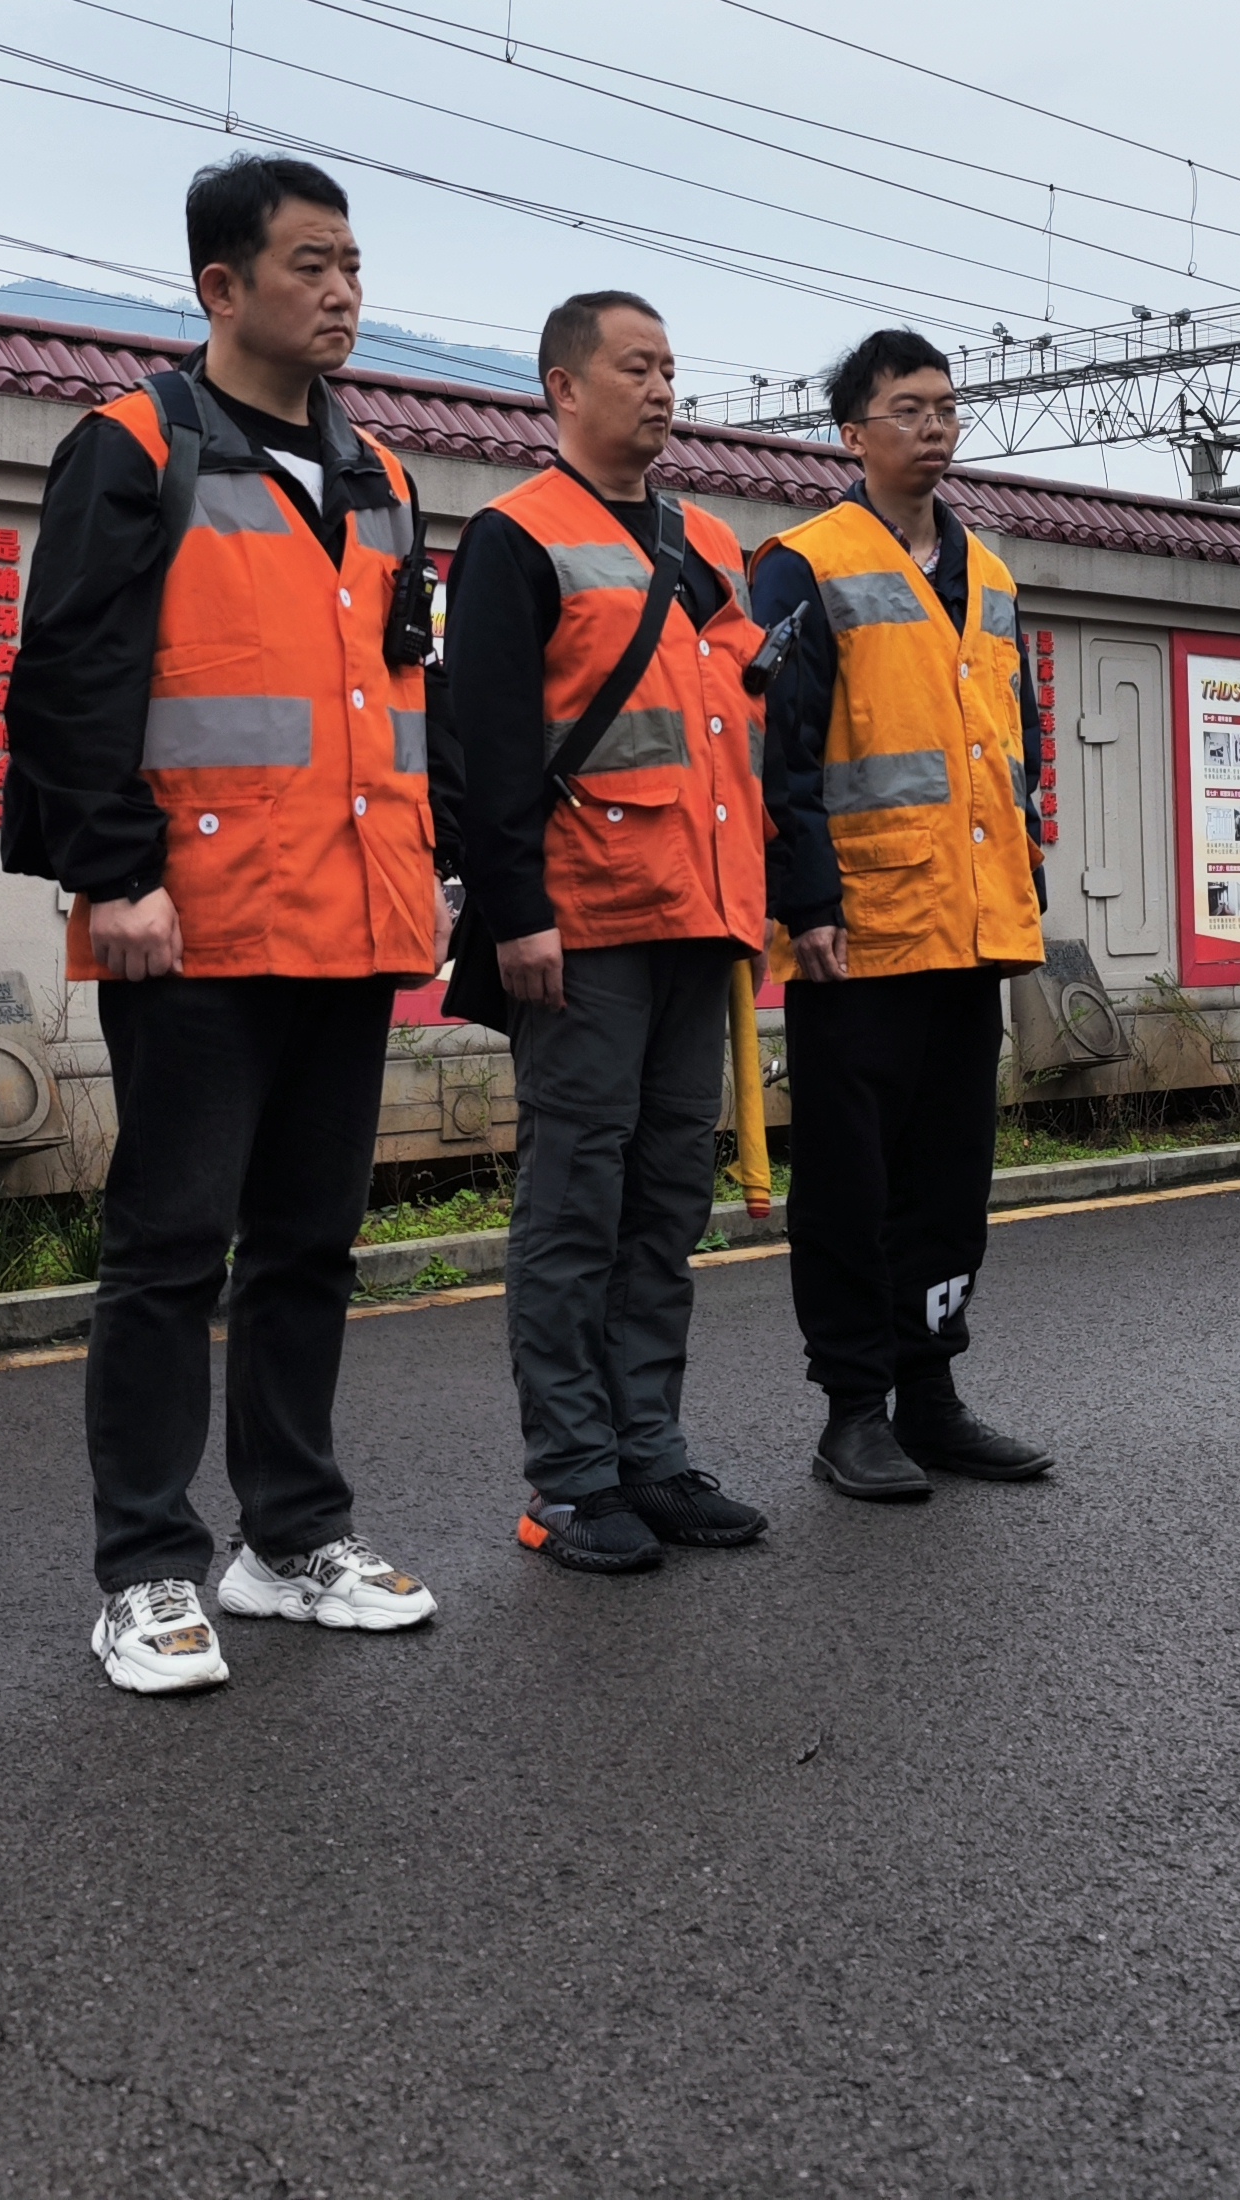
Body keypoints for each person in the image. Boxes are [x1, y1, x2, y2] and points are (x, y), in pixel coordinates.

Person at [2, 155, 452, 1693]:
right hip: (194, 920)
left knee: (311, 1246)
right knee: (170, 1247)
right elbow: (68, 677)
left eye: (352, 265)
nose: (342, 293)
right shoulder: (131, 449)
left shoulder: (381, 471)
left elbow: (396, 697)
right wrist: (113, 876)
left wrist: (431, 871)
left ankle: (290, 1537)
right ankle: (144, 1567)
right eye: (311, 265)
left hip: (355, 914)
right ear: (221, 288)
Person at [446, 291, 772, 1572]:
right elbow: (480, 741)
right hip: (581, 926)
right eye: (634, 367)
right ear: (561, 389)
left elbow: (736, 726)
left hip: (698, 919)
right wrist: (515, 911)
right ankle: (570, 1480)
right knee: (575, 1206)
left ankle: (653, 1453)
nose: (661, 387)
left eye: (670, 366)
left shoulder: (708, 543)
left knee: (664, 1204)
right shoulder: (514, 538)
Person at [749, 330, 1054, 1500]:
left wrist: (1020, 880)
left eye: (946, 408)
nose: (932, 427)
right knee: (848, 1180)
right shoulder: (805, 563)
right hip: (860, 934)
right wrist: (807, 899)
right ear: (851, 434)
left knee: (947, 1178)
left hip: (972, 929)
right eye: (906, 408)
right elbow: (780, 755)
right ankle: (853, 1410)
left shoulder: (993, 575)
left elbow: (1011, 757)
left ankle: (932, 1395)